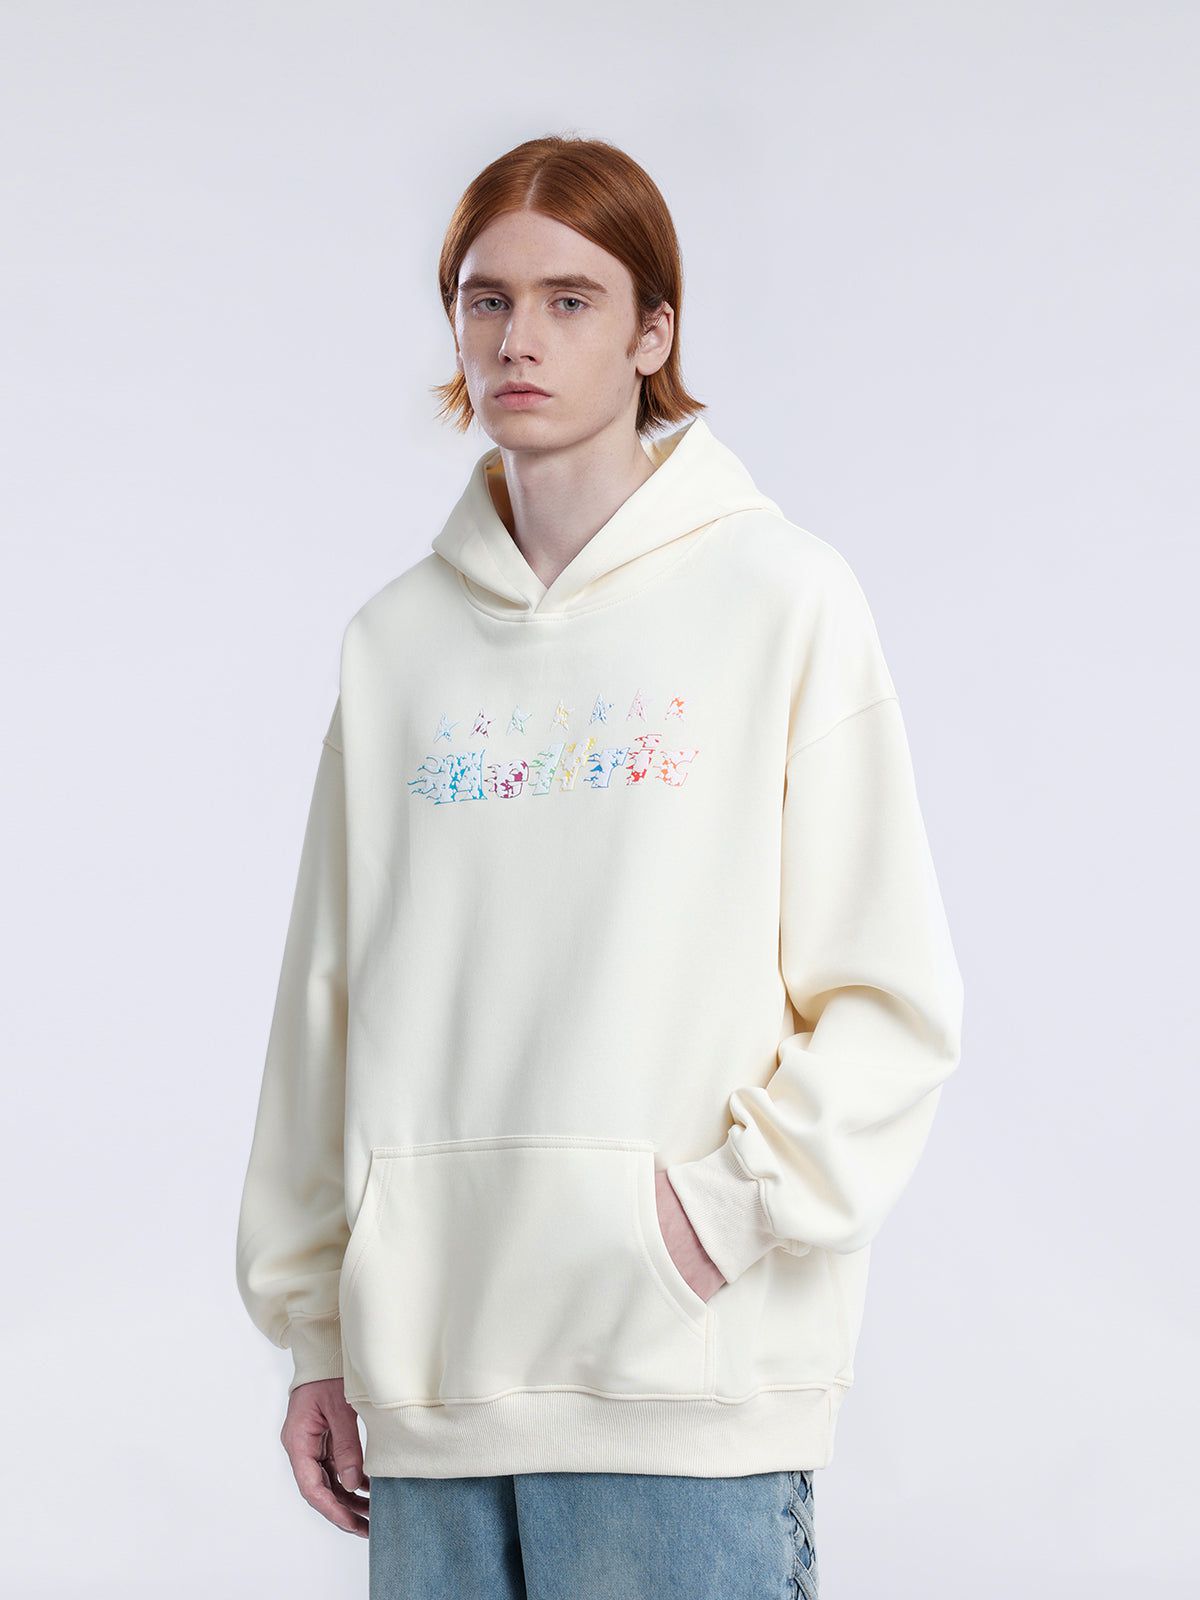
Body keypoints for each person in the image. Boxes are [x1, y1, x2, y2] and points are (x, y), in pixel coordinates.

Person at [235, 133, 964, 1600]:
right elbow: (324, 1010)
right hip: (431, 1396)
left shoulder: (782, 599)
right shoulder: (396, 646)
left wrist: (713, 1220)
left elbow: (891, 1001)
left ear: (653, 333)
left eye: (571, 299)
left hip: (685, 1394)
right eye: (487, 299)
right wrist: (318, 1332)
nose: (519, 338)